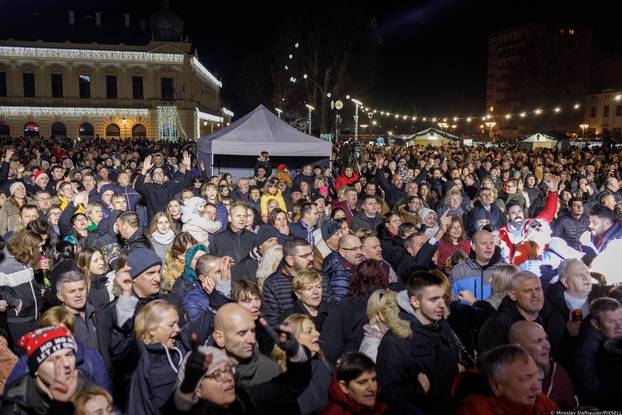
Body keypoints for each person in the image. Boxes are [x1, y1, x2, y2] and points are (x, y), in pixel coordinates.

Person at [376, 271, 460, 414]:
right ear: (415, 302)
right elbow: (387, 392)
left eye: (442, 298)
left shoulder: (442, 326)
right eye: (433, 299)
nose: (441, 305)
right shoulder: (395, 340)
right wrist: (417, 389)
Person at [0, 326, 96, 415]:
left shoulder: (84, 382)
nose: (66, 364)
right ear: (36, 369)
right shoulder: (16, 406)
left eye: (69, 354)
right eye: (53, 359)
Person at [478, 271, 564, 359]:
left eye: (538, 289)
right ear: (513, 295)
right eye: (528, 291)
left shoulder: (555, 319)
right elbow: (489, 363)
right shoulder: (496, 324)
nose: (535, 295)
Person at [455, 344, 559, 415]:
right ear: (496, 386)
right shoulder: (474, 411)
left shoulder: (543, 403)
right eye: (526, 378)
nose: (536, 387)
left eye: (537, 376)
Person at [508, 321, 578, 410]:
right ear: (518, 347)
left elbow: (574, 408)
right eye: (538, 341)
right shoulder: (507, 383)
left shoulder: (558, 373)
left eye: (546, 339)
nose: (547, 346)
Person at [212, 303, 280, 386]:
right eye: (242, 333)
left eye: (252, 331)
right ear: (220, 338)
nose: (252, 340)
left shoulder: (271, 371)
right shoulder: (203, 373)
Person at [573, 297, 622, 408]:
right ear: (595, 324)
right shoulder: (586, 349)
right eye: (611, 322)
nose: (619, 326)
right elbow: (591, 388)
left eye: (621, 319)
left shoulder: (613, 336)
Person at [0, 230, 44, 351]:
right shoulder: (5, 264)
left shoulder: (27, 259)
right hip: (20, 320)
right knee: (25, 354)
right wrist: (15, 302)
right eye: (38, 247)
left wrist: (40, 290)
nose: (41, 250)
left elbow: (30, 283)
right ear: (29, 246)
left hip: (36, 315)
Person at [262, 238, 318, 327]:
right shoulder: (273, 284)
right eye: (305, 256)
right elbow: (272, 323)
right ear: (290, 260)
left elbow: (329, 313)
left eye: (311, 254)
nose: (311, 258)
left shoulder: (322, 278)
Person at [321, 352, 387, 415]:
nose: (372, 388)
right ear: (344, 387)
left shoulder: (383, 410)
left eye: (374, 379)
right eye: (362, 382)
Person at [134, 152, 193, 219]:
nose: (159, 173)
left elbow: (187, 182)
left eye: (161, 172)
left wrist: (188, 166)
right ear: (153, 178)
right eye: (156, 172)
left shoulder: (170, 185)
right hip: (154, 221)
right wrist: (144, 169)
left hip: (169, 221)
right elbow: (138, 187)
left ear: (164, 176)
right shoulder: (149, 187)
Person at [449, 230, 504, 302]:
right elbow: (451, 301)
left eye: (491, 243)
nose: (489, 247)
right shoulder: (459, 271)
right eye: (484, 243)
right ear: (474, 247)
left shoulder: (503, 271)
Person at [359, 290, 411, 363]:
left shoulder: (384, 335)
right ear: (380, 315)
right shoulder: (373, 347)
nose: (399, 315)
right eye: (393, 310)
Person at [323, 234, 365, 303]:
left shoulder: (352, 262)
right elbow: (340, 304)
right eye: (354, 249)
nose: (360, 252)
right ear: (342, 252)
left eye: (360, 247)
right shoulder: (339, 274)